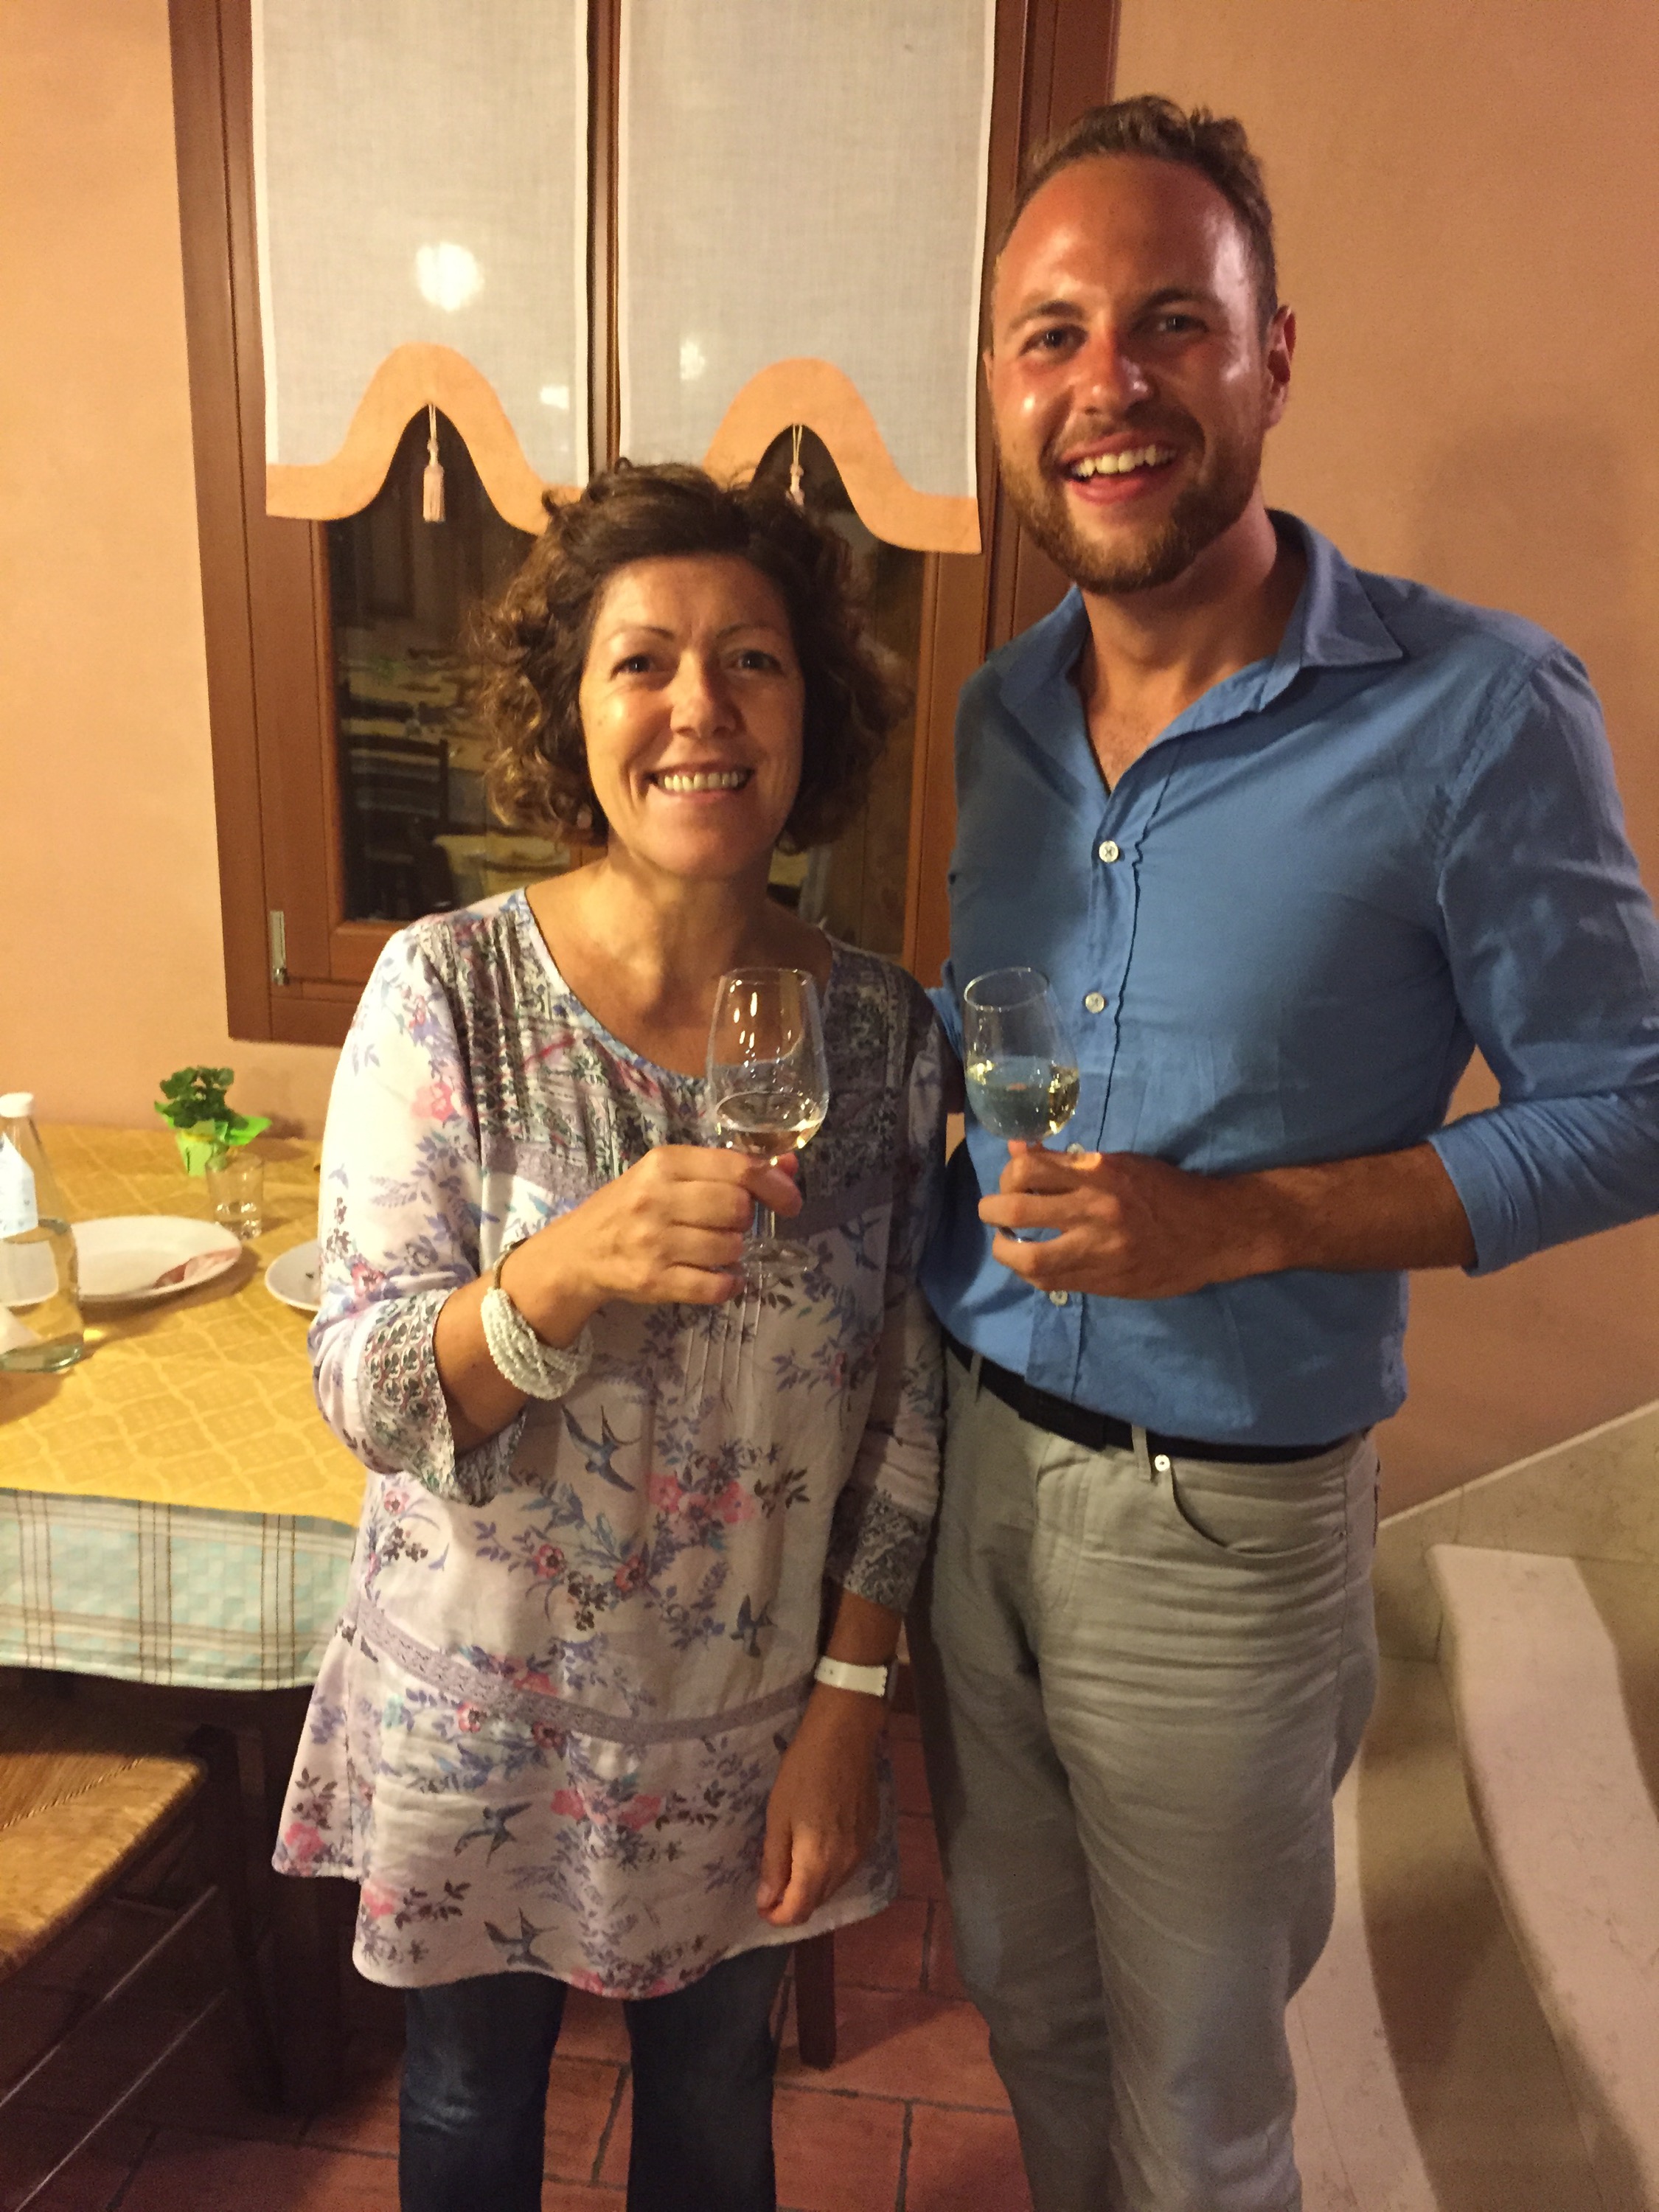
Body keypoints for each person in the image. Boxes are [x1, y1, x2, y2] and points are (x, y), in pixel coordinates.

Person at [911, 94, 1659, 2212]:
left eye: (1171, 320)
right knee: (1031, 2018)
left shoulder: (1479, 709)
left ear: (1271, 355)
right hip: (973, 1472)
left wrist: (1237, 1224)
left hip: (1220, 1528)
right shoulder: (1000, 713)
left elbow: (1632, 1103)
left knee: (1205, 2102)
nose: (1108, 384)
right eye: (1052, 335)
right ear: (1001, 387)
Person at [274, 462, 945, 2212]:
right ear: (572, 717)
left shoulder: (884, 1038)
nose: (700, 707)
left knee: (716, 2111)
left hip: (745, 1728)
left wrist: (852, 1709)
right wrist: (558, 1273)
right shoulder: (447, 990)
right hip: (480, 1716)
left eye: (753, 660)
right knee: (466, 2107)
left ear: (813, 708)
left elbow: (905, 1410)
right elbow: (366, 1390)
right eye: (643, 662)